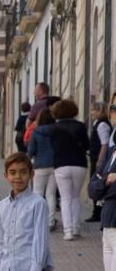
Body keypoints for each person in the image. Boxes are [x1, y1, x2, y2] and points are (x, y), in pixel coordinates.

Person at [49, 99, 90, 240]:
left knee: (65, 198)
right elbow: (86, 145)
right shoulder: (80, 126)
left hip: (61, 164)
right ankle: (76, 228)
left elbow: (53, 147)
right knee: (75, 197)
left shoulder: (54, 128)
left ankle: (68, 232)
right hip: (79, 163)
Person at [90, 138, 116, 271]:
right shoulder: (112, 151)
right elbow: (93, 189)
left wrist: (105, 186)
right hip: (107, 226)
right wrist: (106, 183)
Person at [27, 108, 58, 232]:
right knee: (51, 195)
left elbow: (31, 151)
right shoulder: (57, 130)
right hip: (55, 165)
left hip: (40, 165)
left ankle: (36, 221)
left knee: (37, 193)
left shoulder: (36, 132)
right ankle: (50, 222)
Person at [87, 102, 111, 223]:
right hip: (95, 157)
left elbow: (104, 144)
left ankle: (97, 212)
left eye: (93, 110)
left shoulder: (102, 125)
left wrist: (100, 161)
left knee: (97, 183)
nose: (91, 113)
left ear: (99, 111)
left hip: (99, 159)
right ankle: (96, 211)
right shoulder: (98, 124)